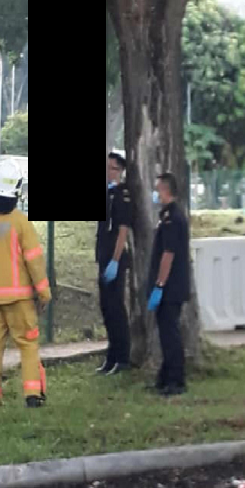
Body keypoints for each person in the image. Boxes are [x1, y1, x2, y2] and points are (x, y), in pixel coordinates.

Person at [0, 160, 51, 408]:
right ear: (17, 189)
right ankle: (33, 395)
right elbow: (34, 261)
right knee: (27, 345)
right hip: (20, 300)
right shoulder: (20, 222)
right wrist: (44, 292)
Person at [148, 172, 191, 396]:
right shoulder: (167, 214)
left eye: (157, 189)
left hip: (171, 287)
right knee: (165, 333)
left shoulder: (173, 217)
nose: (155, 193)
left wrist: (160, 284)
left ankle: (176, 380)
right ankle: (165, 377)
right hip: (169, 286)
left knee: (170, 334)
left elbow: (168, 253)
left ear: (166, 190)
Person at [95, 150, 133, 375]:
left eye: (113, 168)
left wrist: (115, 261)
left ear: (120, 171)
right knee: (106, 309)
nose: (109, 172)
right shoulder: (107, 194)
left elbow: (122, 231)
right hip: (103, 256)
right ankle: (110, 356)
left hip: (115, 258)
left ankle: (123, 357)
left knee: (116, 308)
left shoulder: (122, 195)